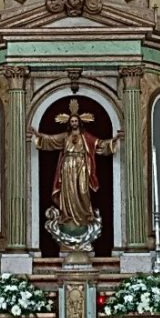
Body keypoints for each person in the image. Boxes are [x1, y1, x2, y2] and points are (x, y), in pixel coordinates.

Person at [28, 98, 123, 228]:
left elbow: (100, 144)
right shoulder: (65, 136)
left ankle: (85, 218)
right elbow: (51, 140)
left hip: (82, 165)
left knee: (83, 191)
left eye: (75, 120)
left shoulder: (85, 136)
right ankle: (68, 217)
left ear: (79, 122)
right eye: (72, 121)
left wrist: (114, 139)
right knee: (68, 192)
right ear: (69, 122)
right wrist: (37, 134)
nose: (73, 123)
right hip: (67, 166)